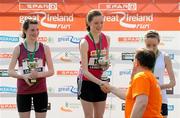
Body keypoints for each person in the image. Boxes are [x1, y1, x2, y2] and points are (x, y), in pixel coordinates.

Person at [8, 19, 54, 118]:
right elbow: (10, 71)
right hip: (23, 91)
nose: (36, 33)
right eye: (32, 30)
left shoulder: (45, 48)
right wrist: (23, 76)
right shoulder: (18, 48)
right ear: (25, 30)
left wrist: (38, 75)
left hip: (40, 90)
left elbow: (51, 71)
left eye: (37, 30)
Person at [108, 48, 163, 118]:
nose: (133, 62)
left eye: (133, 60)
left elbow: (141, 102)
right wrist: (111, 88)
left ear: (137, 62)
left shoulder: (141, 76)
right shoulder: (149, 76)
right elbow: (129, 96)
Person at [77, 10, 110, 118]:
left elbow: (106, 63)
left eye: (101, 22)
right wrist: (100, 83)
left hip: (101, 81)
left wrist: (105, 65)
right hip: (87, 82)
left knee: (99, 116)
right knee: (89, 116)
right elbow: (85, 71)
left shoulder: (106, 38)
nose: (99, 25)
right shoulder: (84, 42)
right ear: (89, 23)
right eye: (96, 23)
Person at [144, 30, 176, 117]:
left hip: (161, 98)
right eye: (148, 45)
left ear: (159, 42)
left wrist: (158, 87)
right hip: (144, 97)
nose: (151, 48)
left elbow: (173, 82)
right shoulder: (140, 56)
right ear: (144, 43)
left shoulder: (165, 57)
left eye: (154, 45)